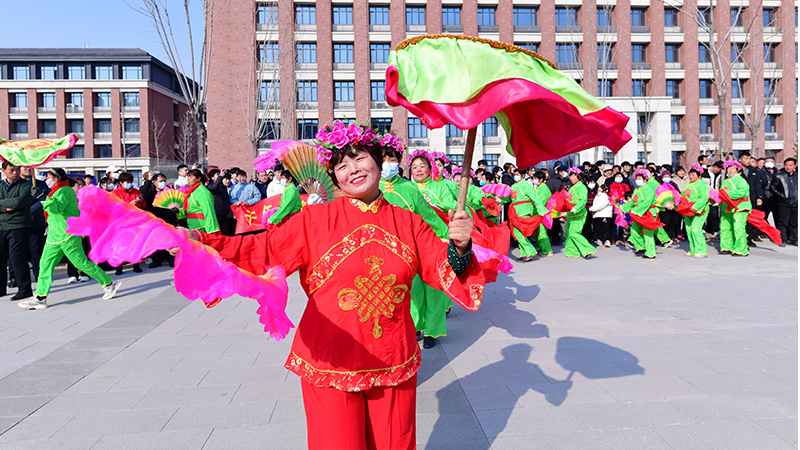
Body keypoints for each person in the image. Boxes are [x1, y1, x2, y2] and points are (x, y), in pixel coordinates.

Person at [177, 126, 483, 450]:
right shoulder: (314, 220)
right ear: (334, 176)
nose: (353, 170)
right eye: (342, 165)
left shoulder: (408, 222)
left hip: (392, 356)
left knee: (394, 443)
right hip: (330, 358)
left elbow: (444, 268)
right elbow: (263, 250)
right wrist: (202, 242)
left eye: (360, 159)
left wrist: (461, 246)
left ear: (378, 161)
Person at [18, 169, 122, 310]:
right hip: (54, 235)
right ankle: (40, 297)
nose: (47, 180)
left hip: (68, 234)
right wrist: (42, 197)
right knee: (45, 264)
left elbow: (57, 208)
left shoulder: (65, 190)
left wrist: (42, 197)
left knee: (81, 263)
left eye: (49, 177)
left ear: (57, 178)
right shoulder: (55, 191)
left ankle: (109, 283)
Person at [380, 146, 451, 349]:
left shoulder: (409, 188)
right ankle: (417, 325)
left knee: (433, 289)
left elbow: (427, 215)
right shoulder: (372, 188)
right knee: (412, 292)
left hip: (419, 246)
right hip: (391, 252)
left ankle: (433, 330)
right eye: (383, 160)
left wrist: (444, 235)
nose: (387, 164)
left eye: (392, 159)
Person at [0, 162, 34, 300]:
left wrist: (3, 205)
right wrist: (7, 207)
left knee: (17, 257)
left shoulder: (26, 185)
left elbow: (19, 202)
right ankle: (1, 288)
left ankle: (24, 289)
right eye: (11, 170)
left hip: (18, 225)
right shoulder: (0, 185)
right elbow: (14, 204)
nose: (15, 172)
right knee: (1, 258)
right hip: (1, 225)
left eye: (17, 169)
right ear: (3, 170)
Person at [509, 168, 547, 261]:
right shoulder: (513, 186)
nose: (515, 176)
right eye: (515, 174)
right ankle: (524, 253)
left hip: (524, 210)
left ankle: (530, 251)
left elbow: (535, 198)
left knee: (518, 233)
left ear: (522, 176)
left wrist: (541, 210)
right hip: (515, 212)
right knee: (520, 233)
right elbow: (508, 198)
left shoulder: (527, 186)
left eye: (517, 174)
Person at [111, 172, 145, 275]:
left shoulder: (136, 192)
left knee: (135, 243)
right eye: (127, 182)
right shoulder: (114, 193)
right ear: (121, 182)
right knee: (120, 245)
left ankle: (136, 264)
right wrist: (128, 205)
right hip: (120, 222)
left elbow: (144, 205)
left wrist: (140, 201)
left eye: (130, 182)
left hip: (135, 221)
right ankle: (119, 266)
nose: (129, 184)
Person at [622, 169, 658, 259]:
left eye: (640, 179)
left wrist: (637, 210)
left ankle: (651, 252)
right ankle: (641, 247)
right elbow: (632, 201)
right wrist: (624, 207)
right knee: (634, 231)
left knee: (647, 233)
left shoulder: (649, 189)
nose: (638, 180)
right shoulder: (637, 189)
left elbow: (647, 202)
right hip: (638, 213)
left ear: (645, 179)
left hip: (648, 213)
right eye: (637, 179)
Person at [719, 160, 752, 256]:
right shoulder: (725, 182)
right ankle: (727, 247)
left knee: (738, 228)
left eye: (733, 169)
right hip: (727, 208)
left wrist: (726, 194)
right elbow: (721, 194)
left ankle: (741, 249)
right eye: (729, 169)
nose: (730, 171)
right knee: (725, 228)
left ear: (737, 170)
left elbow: (742, 193)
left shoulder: (741, 180)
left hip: (740, 207)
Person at [562, 168, 595, 258]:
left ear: (579, 177)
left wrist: (576, 208)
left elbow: (583, 200)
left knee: (574, 233)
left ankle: (587, 249)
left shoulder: (581, 187)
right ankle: (572, 251)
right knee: (569, 233)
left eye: (573, 176)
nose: (571, 178)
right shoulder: (573, 187)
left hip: (578, 213)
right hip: (571, 213)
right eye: (570, 176)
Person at [681, 165, 710, 258]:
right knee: (689, 230)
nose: (691, 176)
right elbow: (682, 197)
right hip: (688, 210)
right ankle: (693, 249)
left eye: (693, 175)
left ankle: (701, 250)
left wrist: (696, 206)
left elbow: (704, 198)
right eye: (690, 174)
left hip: (700, 210)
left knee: (695, 229)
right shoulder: (687, 185)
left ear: (699, 175)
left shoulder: (702, 185)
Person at [180, 169, 219, 234]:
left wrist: (210, 230)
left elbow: (208, 211)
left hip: (202, 227)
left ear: (198, 178)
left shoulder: (203, 192)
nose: (188, 179)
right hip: (193, 225)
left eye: (191, 177)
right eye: (188, 177)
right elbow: (189, 209)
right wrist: (177, 211)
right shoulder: (192, 191)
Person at [771, 158, 798, 246]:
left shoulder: (797, 176)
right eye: (786, 165)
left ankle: (794, 239)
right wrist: (782, 196)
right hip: (784, 203)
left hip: (796, 203)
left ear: (794, 166)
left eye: (790, 165)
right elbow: (772, 188)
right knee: (783, 222)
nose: (788, 167)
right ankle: (782, 239)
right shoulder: (779, 176)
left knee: (794, 222)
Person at [207, 169, 235, 236]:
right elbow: (214, 188)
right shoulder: (209, 186)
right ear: (212, 177)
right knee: (216, 234)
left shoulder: (223, 187)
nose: (220, 175)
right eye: (217, 175)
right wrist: (220, 176)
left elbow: (226, 199)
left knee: (226, 233)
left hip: (224, 214)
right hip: (216, 214)